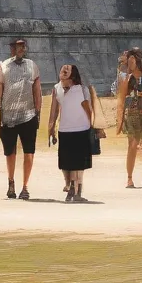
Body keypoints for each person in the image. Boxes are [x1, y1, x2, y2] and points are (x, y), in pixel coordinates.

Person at [0, 39, 41, 200]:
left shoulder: (32, 66)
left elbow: (36, 90)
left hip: (28, 115)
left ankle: (25, 186)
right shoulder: (3, 67)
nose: (21, 48)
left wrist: (38, 111)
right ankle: (11, 182)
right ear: (12, 48)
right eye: (18, 46)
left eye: (23, 46)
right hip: (9, 116)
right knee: (10, 153)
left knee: (29, 151)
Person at [48, 63, 95, 202]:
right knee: (66, 164)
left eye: (67, 70)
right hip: (65, 129)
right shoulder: (57, 89)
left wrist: (93, 126)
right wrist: (51, 129)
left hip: (81, 128)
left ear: (73, 75)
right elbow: (54, 111)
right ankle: (70, 186)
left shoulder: (82, 89)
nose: (63, 70)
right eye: (62, 69)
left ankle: (76, 190)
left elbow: (89, 110)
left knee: (78, 164)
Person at [116, 48, 142, 189]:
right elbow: (121, 96)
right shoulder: (125, 77)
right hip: (133, 112)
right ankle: (129, 178)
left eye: (133, 61)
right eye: (129, 61)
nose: (130, 63)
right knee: (132, 145)